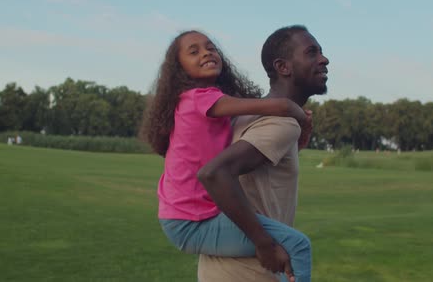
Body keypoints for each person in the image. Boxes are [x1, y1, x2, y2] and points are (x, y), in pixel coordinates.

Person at [140, 30, 315, 282]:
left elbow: (265, 160)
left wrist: (301, 132)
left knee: (292, 245)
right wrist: (292, 110)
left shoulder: (202, 107)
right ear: (179, 68)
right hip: (191, 221)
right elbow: (277, 106)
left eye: (210, 48)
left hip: (185, 218)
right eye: (194, 51)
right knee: (297, 246)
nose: (206, 53)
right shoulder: (200, 99)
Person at [197, 25, 329, 281]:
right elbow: (216, 172)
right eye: (312, 53)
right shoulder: (281, 123)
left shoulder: (248, 115)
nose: (324, 59)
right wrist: (264, 244)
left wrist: (298, 141)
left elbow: (263, 176)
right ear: (283, 67)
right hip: (249, 273)